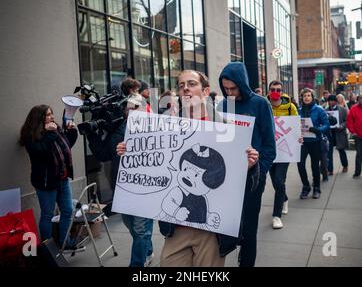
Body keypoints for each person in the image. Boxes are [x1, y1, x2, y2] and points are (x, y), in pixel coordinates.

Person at [118, 70, 260, 267]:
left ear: (205, 91)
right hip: (176, 227)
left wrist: (251, 167)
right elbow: (154, 165)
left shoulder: (227, 128)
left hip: (212, 232)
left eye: (192, 84)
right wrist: (132, 150)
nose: (185, 88)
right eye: (181, 84)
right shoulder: (166, 127)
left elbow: (248, 187)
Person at [217, 62, 276, 267]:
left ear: (243, 84)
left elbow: (270, 145)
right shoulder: (222, 105)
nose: (230, 92)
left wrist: (261, 172)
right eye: (226, 88)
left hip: (253, 177)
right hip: (226, 177)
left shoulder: (260, 104)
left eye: (233, 88)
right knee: (228, 225)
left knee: (250, 230)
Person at [87, 94, 154, 267]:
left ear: (145, 108)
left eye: (135, 107)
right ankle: (147, 250)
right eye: (128, 108)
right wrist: (91, 135)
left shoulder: (155, 128)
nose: (131, 111)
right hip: (122, 187)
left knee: (140, 229)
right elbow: (103, 154)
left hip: (146, 189)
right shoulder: (118, 129)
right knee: (130, 225)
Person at [19, 105, 78, 248]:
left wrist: (72, 131)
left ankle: (65, 242)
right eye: (47, 115)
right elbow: (41, 151)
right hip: (46, 182)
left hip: (62, 178)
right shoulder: (30, 136)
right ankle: (49, 249)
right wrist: (51, 133)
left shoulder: (55, 128)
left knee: (68, 211)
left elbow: (67, 145)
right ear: (39, 119)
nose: (51, 117)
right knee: (47, 215)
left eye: (52, 114)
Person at [266, 80, 298, 229]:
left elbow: (295, 125)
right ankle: (284, 198)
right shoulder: (263, 105)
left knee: (279, 181)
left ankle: (276, 216)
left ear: (282, 92)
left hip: (285, 151)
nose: (276, 92)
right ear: (269, 91)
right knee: (275, 182)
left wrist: (299, 136)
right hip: (269, 151)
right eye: (273, 89)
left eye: (278, 90)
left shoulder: (290, 107)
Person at [298, 88, 329, 199]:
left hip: (315, 141)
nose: (306, 97)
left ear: (312, 97)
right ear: (302, 97)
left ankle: (316, 188)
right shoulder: (299, 110)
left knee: (315, 166)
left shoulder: (319, 110)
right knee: (300, 165)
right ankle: (306, 186)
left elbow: (326, 125)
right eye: (304, 95)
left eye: (308, 95)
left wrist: (318, 129)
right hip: (302, 142)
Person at [326, 95, 349, 175]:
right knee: (329, 152)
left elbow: (347, 121)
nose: (331, 102)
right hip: (330, 133)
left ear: (336, 101)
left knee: (341, 150)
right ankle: (330, 170)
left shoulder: (342, 109)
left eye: (332, 101)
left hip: (339, 133)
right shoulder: (325, 110)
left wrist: (342, 126)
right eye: (329, 101)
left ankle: (345, 165)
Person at [347, 95, 362, 179]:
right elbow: (350, 121)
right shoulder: (353, 108)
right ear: (358, 99)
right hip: (358, 135)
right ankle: (357, 172)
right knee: (359, 154)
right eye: (361, 98)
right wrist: (353, 132)